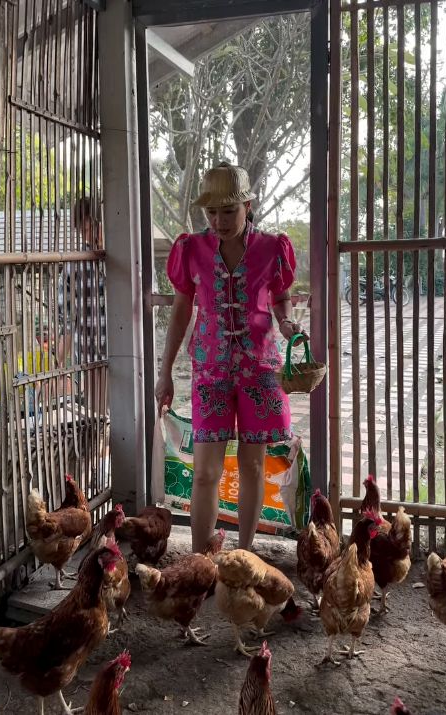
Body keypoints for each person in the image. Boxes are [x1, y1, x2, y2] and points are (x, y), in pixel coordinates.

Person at [155, 162, 308, 552]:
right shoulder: (191, 249)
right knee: (205, 472)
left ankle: (243, 556)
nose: (219, 221)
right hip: (211, 371)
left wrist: (286, 322)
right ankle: (201, 560)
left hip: (260, 370)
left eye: (228, 211)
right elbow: (181, 310)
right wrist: (165, 371)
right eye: (212, 212)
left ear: (248, 206)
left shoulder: (272, 248)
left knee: (253, 466)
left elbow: (280, 297)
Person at [57, 198, 106, 395]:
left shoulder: (129, 257)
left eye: (94, 227)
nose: (90, 236)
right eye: (84, 231)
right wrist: (59, 363)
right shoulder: (74, 265)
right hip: (90, 355)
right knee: (96, 408)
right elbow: (68, 320)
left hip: (127, 353)